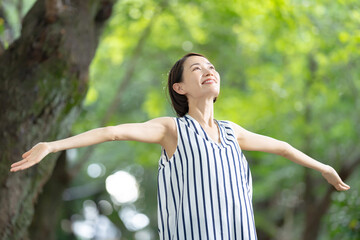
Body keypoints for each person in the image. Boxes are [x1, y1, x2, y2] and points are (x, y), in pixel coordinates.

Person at [10, 53, 350, 239]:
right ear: (180, 87)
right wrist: (52, 145)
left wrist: (323, 167)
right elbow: (112, 132)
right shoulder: (172, 129)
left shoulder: (233, 133)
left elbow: (284, 148)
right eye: (197, 68)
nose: (208, 71)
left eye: (212, 67)